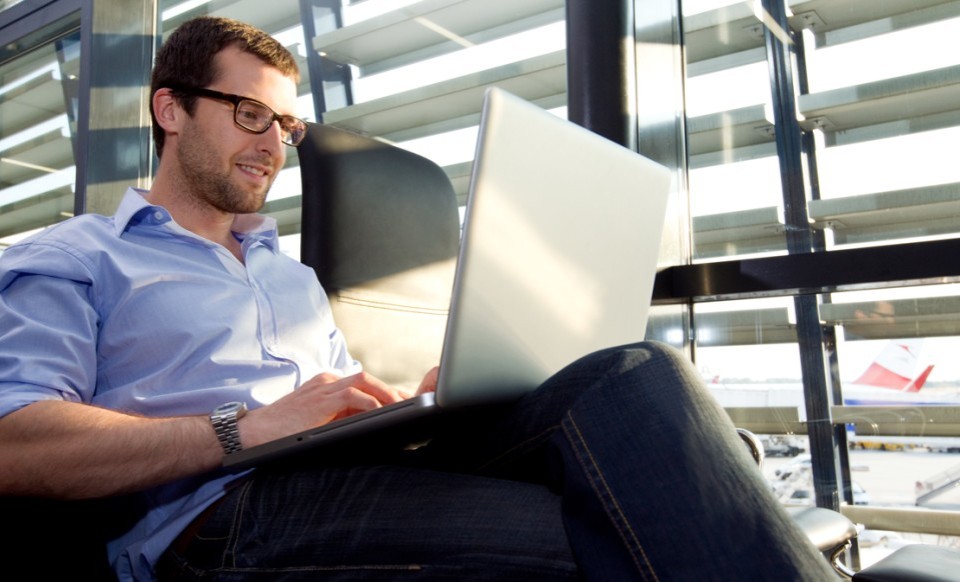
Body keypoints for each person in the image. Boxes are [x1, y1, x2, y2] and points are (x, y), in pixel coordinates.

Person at [0, 16, 836, 581]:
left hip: (334, 474)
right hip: (212, 522)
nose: (272, 147)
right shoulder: (77, 256)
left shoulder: (287, 277)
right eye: (250, 114)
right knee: (636, 519)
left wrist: (420, 403)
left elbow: (328, 408)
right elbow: (17, 445)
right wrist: (242, 428)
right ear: (170, 110)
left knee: (633, 374)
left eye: (285, 128)